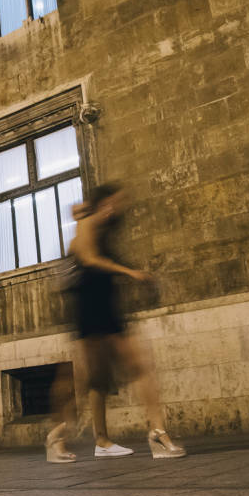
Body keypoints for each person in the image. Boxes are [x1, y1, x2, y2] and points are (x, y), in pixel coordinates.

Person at [48, 183, 185, 462]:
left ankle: (155, 432)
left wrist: (134, 274)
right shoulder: (85, 225)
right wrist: (129, 272)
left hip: (108, 305)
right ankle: (58, 437)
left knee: (135, 367)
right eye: (111, 203)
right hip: (88, 307)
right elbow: (88, 258)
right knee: (90, 379)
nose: (116, 209)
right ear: (100, 204)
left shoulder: (107, 232)